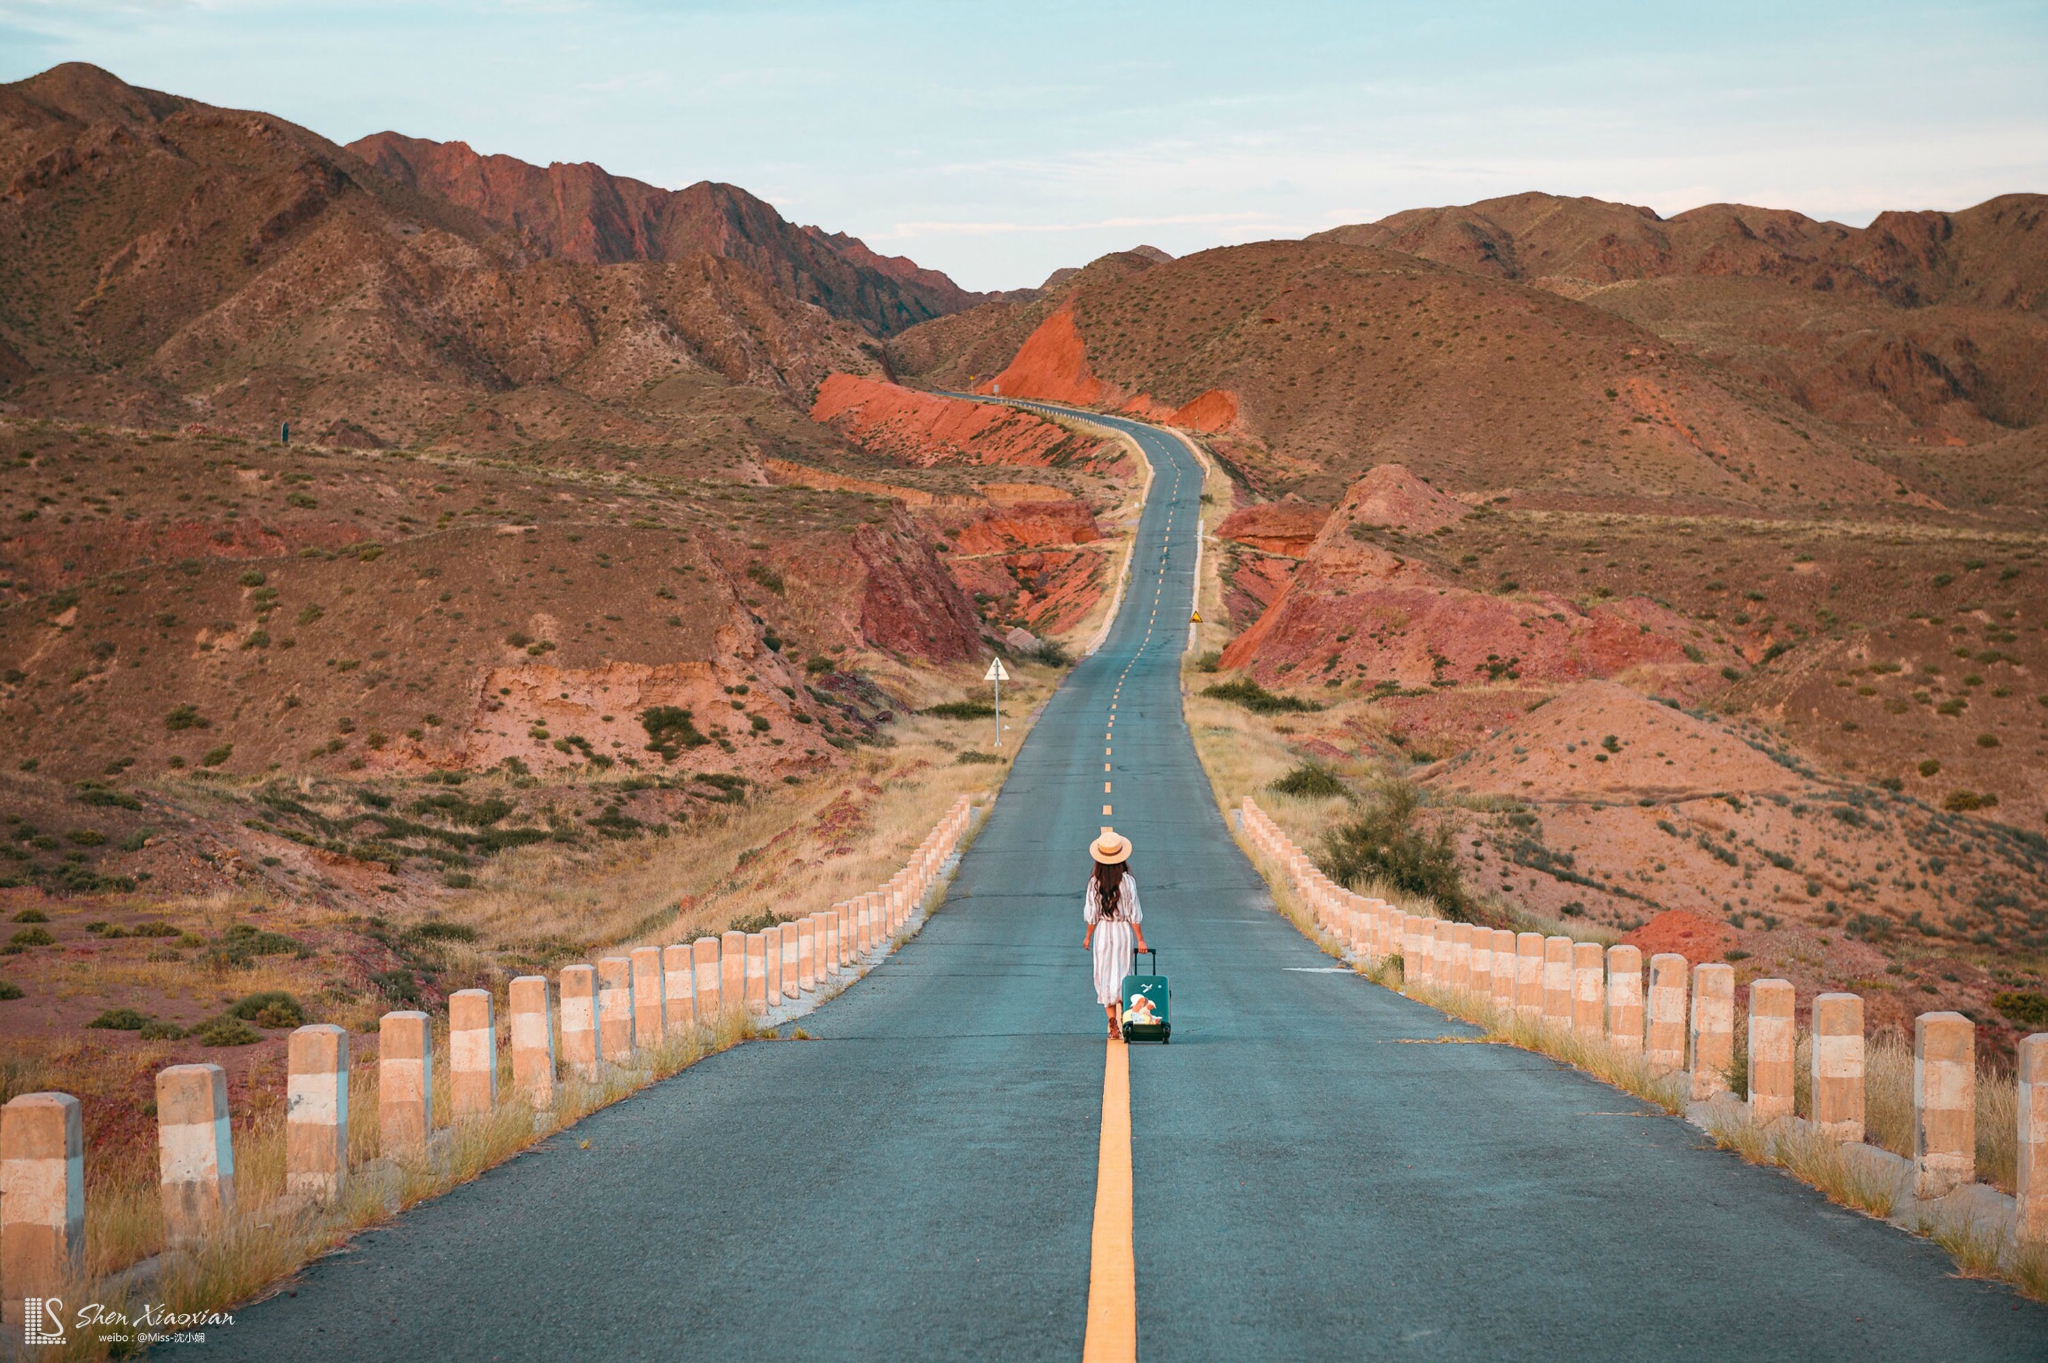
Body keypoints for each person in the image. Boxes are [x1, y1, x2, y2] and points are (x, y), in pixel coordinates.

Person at [1082, 826, 1147, 1040]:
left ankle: (1112, 1023)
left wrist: (1088, 936)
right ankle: (1124, 1018)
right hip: (1122, 931)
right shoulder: (1128, 882)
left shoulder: (1094, 882)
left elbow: (1092, 915)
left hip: (1102, 931)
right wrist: (1140, 939)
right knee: (1123, 974)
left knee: (1105, 974)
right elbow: (1133, 913)